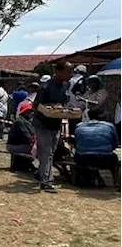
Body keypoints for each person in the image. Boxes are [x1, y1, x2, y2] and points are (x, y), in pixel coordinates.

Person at [33, 61, 72, 193]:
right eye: (68, 72)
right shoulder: (45, 87)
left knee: (51, 152)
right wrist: (47, 110)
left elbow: (64, 103)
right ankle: (46, 182)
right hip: (42, 124)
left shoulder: (65, 86)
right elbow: (36, 106)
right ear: (59, 72)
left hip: (56, 123)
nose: (70, 75)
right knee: (46, 151)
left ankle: (40, 173)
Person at [74, 120, 119, 188]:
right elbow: (115, 143)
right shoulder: (110, 126)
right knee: (115, 160)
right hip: (105, 159)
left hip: (83, 159)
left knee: (78, 156)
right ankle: (116, 182)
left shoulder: (79, 126)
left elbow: (76, 143)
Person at [7, 104, 36, 171]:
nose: (32, 113)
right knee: (38, 150)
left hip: (21, 144)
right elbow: (27, 136)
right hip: (14, 146)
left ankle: (29, 164)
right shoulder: (20, 122)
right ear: (25, 112)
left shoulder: (27, 121)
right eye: (30, 112)